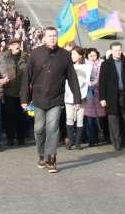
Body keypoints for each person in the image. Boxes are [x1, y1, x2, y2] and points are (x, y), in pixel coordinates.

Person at [22, 26, 82, 174]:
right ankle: (41, 154)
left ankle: (51, 158)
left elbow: (72, 78)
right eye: (49, 36)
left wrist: (77, 98)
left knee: (53, 127)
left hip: (56, 98)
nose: (52, 38)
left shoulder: (64, 55)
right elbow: (27, 77)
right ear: (44, 37)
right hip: (38, 97)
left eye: (55, 35)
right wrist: (24, 98)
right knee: (39, 129)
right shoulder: (36, 53)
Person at [98, 41, 125, 151]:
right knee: (113, 118)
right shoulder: (106, 64)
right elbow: (102, 82)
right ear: (111, 51)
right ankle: (116, 141)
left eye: (119, 50)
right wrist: (102, 98)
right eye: (115, 50)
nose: (118, 52)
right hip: (111, 96)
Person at [0, 36, 27, 149]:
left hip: (22, 91)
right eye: (14, 44)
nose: (17, 45)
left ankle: (21, 138)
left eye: (18, 43)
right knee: (10, 116)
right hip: (9, 90)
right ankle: (10, 137)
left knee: (22, 116)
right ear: (10, 46)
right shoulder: (3, 57)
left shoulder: (26, 56)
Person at [63, 47, 91, 151]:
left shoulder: (87, 67)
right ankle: (71, 140)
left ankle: (78, 142)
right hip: (69, 96)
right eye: (71, 54)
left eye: (74, 54)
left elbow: (90, 80)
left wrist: (90, 83)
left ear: (80, 55)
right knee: (69, 119)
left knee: (80, 120)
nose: (72, 56)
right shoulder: (67, 67)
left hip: (82, 97)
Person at [83, 47, 105, 146]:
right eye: (90, 55)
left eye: (94, 55)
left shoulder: (101, 64)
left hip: (99, 92)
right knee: (89, 117)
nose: (93, 57)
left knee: (100, 116)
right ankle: (91, 138)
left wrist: (94, 83)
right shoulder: (85, 65)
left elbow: (101, 77)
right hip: (88, 93)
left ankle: (100, 135)